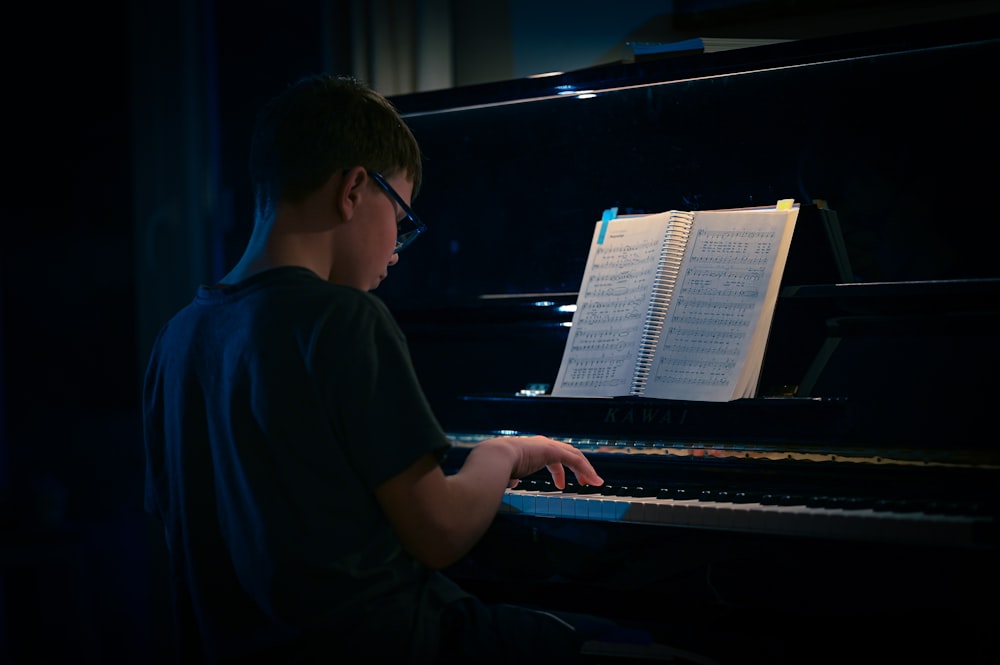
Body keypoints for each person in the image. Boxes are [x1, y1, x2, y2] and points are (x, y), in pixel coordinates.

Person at [142, 73, 669, 665]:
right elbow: (439, 533)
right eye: (401, 218)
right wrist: (501, 454)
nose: (396, 250)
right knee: (643, 647)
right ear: (353, 190)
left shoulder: (177, 335)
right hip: (397, 644)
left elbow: (179, 531)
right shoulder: (344, 317)